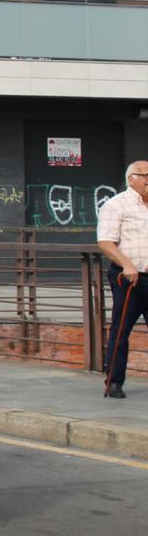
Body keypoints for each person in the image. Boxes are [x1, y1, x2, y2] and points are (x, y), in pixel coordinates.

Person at [96, 160, 148, 399]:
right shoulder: (116, 205)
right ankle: (114, 381)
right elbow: (105, 241)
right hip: (129, 278)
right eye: (145, 175)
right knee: (121, 331)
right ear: (131, 178)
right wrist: (127, 264)